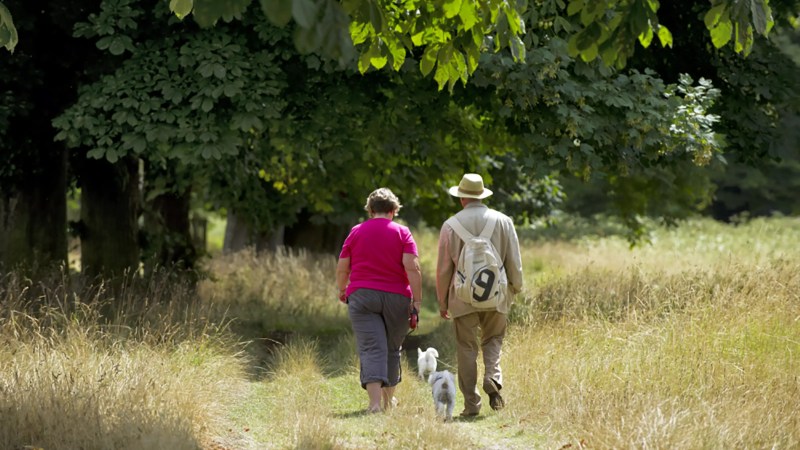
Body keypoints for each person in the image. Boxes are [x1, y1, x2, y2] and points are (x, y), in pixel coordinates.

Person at [436, 173, 523, 417]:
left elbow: (444, 269)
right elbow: (514, 261)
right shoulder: (504, 221)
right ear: (482, 195)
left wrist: (443, 301)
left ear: (462, 197)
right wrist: (514, 288)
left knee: (466, 347)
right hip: (497, 294)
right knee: (493, 339)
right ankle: (493, 378)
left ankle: (471, 405)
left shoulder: (450, 225)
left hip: (462, 297)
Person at [336, 187, 423, 413]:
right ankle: (387, 403)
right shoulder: (403, 233)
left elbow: (342, 266)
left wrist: (341, 289)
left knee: (372, 347)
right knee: (392, 348)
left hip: (362, 296)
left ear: (370, 210)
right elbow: (412, 268)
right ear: (393, 210)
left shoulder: (356, 231)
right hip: (397, 297)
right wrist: (417, 302)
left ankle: (374, 404)